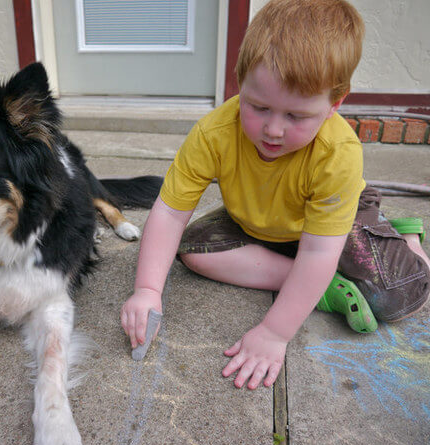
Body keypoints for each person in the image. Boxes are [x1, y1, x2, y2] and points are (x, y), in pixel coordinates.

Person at [120, 0, 430, 390]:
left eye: (296, 116)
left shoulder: (338, 154)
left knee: (397, 296)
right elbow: (168, 214)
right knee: (191, 250)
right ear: (240, 79)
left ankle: (403, 237)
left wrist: (274, 333)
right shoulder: (213, 133)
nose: (273, 130)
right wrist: (147, 290)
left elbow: (319, 251)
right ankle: (318, 286)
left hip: (331, 224)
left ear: (336, 103)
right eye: (259, 106)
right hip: (259, 221)